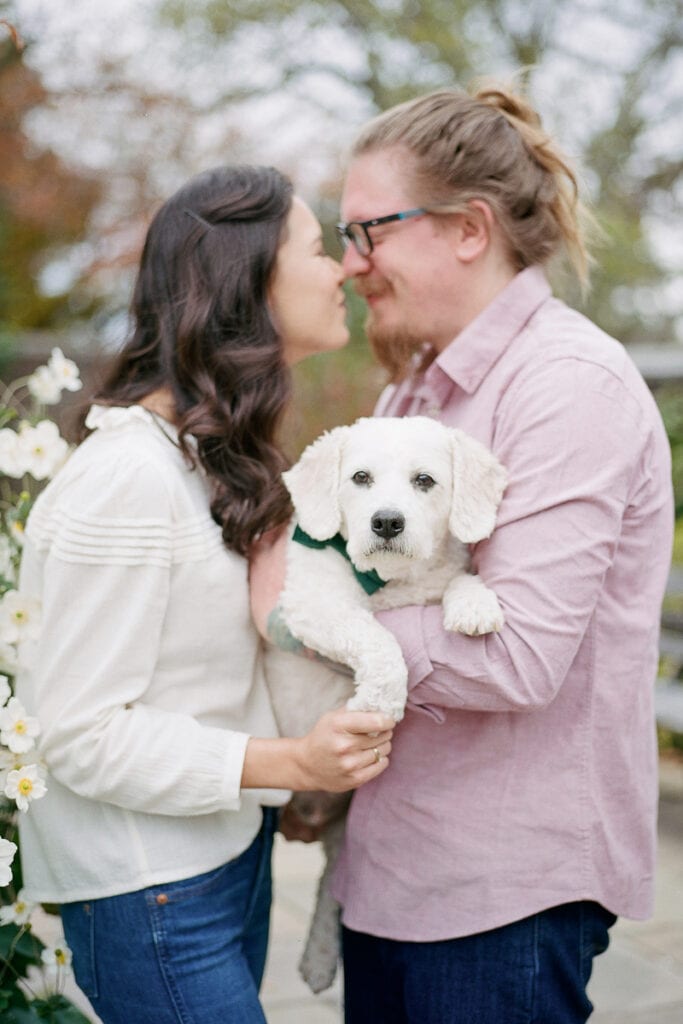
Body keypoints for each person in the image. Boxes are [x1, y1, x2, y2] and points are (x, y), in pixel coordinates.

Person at [251, 85, 675, 1023]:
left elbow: (517, 656)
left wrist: (313, 627)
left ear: (468, 229)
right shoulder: (415, 395)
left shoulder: (565, 387)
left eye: (370, 231)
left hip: (501, 891)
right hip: (397, 867)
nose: (354, 264)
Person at [14, 164, 394, 1024]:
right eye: (315, 246)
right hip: (147, 890)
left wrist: (285, 789)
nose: (343, 268)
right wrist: (288, 763)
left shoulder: (199, 459)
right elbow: (80, 732)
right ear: (246, 277)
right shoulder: (126, 479)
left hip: (222, 857)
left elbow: (199, 671)